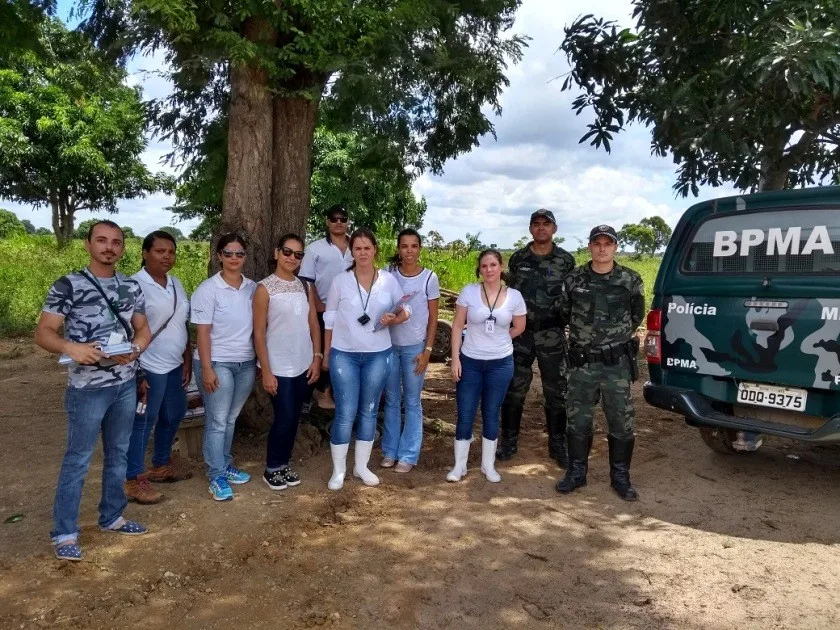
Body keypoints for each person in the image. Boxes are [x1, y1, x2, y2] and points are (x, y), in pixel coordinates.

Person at [35, 220, 152, 561]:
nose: (109, 247)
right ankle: (65, 532)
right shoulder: (68, 285)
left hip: (124, 384)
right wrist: (71, 348)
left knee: (118, 454)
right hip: (86, 389)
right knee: (78, 460)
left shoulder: (130, 287)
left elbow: (142, 328)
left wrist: (137, 349)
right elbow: (44, 332)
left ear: (123, 248)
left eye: (116, 241)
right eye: (101, 240)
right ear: (87, 244)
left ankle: (112, 516)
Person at [555, 225, 645, 501]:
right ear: (590, 246)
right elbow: (564, 312)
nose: (602, 248)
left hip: (615, 365)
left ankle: (620, 477)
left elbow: (636, 316)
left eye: (608, 243)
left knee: (621, 421)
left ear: (615, 247)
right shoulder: (574, 279)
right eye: (597, 243)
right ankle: (576, 472)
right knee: (578, 420)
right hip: (581, 364)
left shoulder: (630, 279)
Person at [323, 228, 410, 490]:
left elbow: (405, 309)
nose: (362, 252)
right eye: (357, 248)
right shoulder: (340, 281)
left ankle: (362, 467)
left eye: (367, 248)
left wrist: (395, 318)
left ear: (375, 250)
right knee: (345, 412)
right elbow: (329, 317)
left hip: (377, 355)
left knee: (369, 411)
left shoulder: (388, 280)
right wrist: (326, 353)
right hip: (344, 354)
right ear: (352, 251)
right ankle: (339, 471)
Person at [500, 209, 575, 466]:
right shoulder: (519, 258)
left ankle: (557, 444)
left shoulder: (566, 260)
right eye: (536, 224)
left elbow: (570, 298)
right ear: (530, 229)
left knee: (557, 390)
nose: (541, 228)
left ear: (554, 229)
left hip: (552, 334)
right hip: (521, 334)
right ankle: (508, 442)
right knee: (514, 389)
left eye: (546, 224)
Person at [125, 231, 193, 505]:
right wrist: (136, 370)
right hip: (148, 365)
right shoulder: (133, 285)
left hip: (175, 363)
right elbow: (127, 329)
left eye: (171, 252)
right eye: (160, 251)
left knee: (174, 413)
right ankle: (133, 479)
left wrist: (187, 357)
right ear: (144, 253)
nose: (167, 256)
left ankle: (161, 465)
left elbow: (181, 324)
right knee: (143, 421)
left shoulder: (175, 283)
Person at [448, 249, 526, 483]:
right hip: (470, 361)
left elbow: (519, 326)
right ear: (479, 269)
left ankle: (487, 466)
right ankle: (459, 466)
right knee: (466, 413)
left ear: (501, 267)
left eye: (493, 265)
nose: (489, 270)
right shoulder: (469, 292)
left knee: (491, 413)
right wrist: (455, 358)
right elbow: (456, 325)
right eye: (484, 266)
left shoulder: (514, 296)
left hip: (500, 364)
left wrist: (501, 340)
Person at [253, 233, 322, 490]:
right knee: (284, 416)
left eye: (298, 254)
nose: (292, 257)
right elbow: (258, 333)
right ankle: (272, 466)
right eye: (287, 252)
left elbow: (313, 323)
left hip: (303, 362)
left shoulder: (306, 286)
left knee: (294, 419)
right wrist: (267, 371)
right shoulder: (264, 288)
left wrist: (316, 358)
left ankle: (284, 464)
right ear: (276, 253)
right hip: (278, 366)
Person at [191, 234, 257, 501]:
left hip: (246, 362)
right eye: (228, 253)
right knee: (217, 421)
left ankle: (225, 464)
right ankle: (215, 475)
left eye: (239, 254)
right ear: (219, 256)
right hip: (217, 362)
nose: (233, 258)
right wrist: (207, 369)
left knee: (230, 419)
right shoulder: (207, 290)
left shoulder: (253, 288)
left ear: (245, 257)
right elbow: (203, 333)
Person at [381, 229, 440, 473]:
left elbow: (434, 318)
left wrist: (428, 350)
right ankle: (390, 451)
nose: (409, 251)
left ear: (420, 249)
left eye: (414, 246)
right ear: (398, 249)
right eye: (404, 246)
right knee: (392, 400)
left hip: (415, 348)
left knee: (413, 401)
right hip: (389, 346)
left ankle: (408, 454)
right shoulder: (388, 274)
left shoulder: (428, 278)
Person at [298, 204, 353, 409]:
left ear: (347, 221)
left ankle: (334, 391)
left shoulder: (355, 247)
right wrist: (318, 305)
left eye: (343, 218)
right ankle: (317, 395)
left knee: (342, 350)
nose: (338, 222)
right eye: (334, 218)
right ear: (327, 222)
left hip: (350, 311)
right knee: (320, 352)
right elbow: (305, 279)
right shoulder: (315, 248)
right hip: (322, 310)